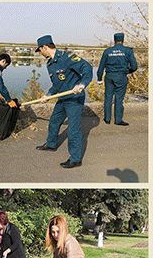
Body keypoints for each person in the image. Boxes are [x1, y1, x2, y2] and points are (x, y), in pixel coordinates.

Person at [35, 35, 93, 169]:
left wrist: (82, 84)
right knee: (54, 120)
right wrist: (48, 95)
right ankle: (51, 144)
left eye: (40, 50)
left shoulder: (67, 57)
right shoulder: (50, 64)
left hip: (74, 98)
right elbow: (56, 85)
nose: (41, 53)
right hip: (63, 97)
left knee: (73, 129)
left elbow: (87, 68)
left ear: (44, 47)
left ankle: (75, 159)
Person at [96, 32, 138, 126]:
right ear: (123, 40)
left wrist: (99, 79)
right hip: (121, 76)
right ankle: (118, 120)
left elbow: (101, 66)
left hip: (109, 76)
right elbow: (134, 66)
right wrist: (127, 71)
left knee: (108, 98)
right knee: (119, 98)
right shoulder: (128, 51)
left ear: (114, 41)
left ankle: (107, 119)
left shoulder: (107, 51)